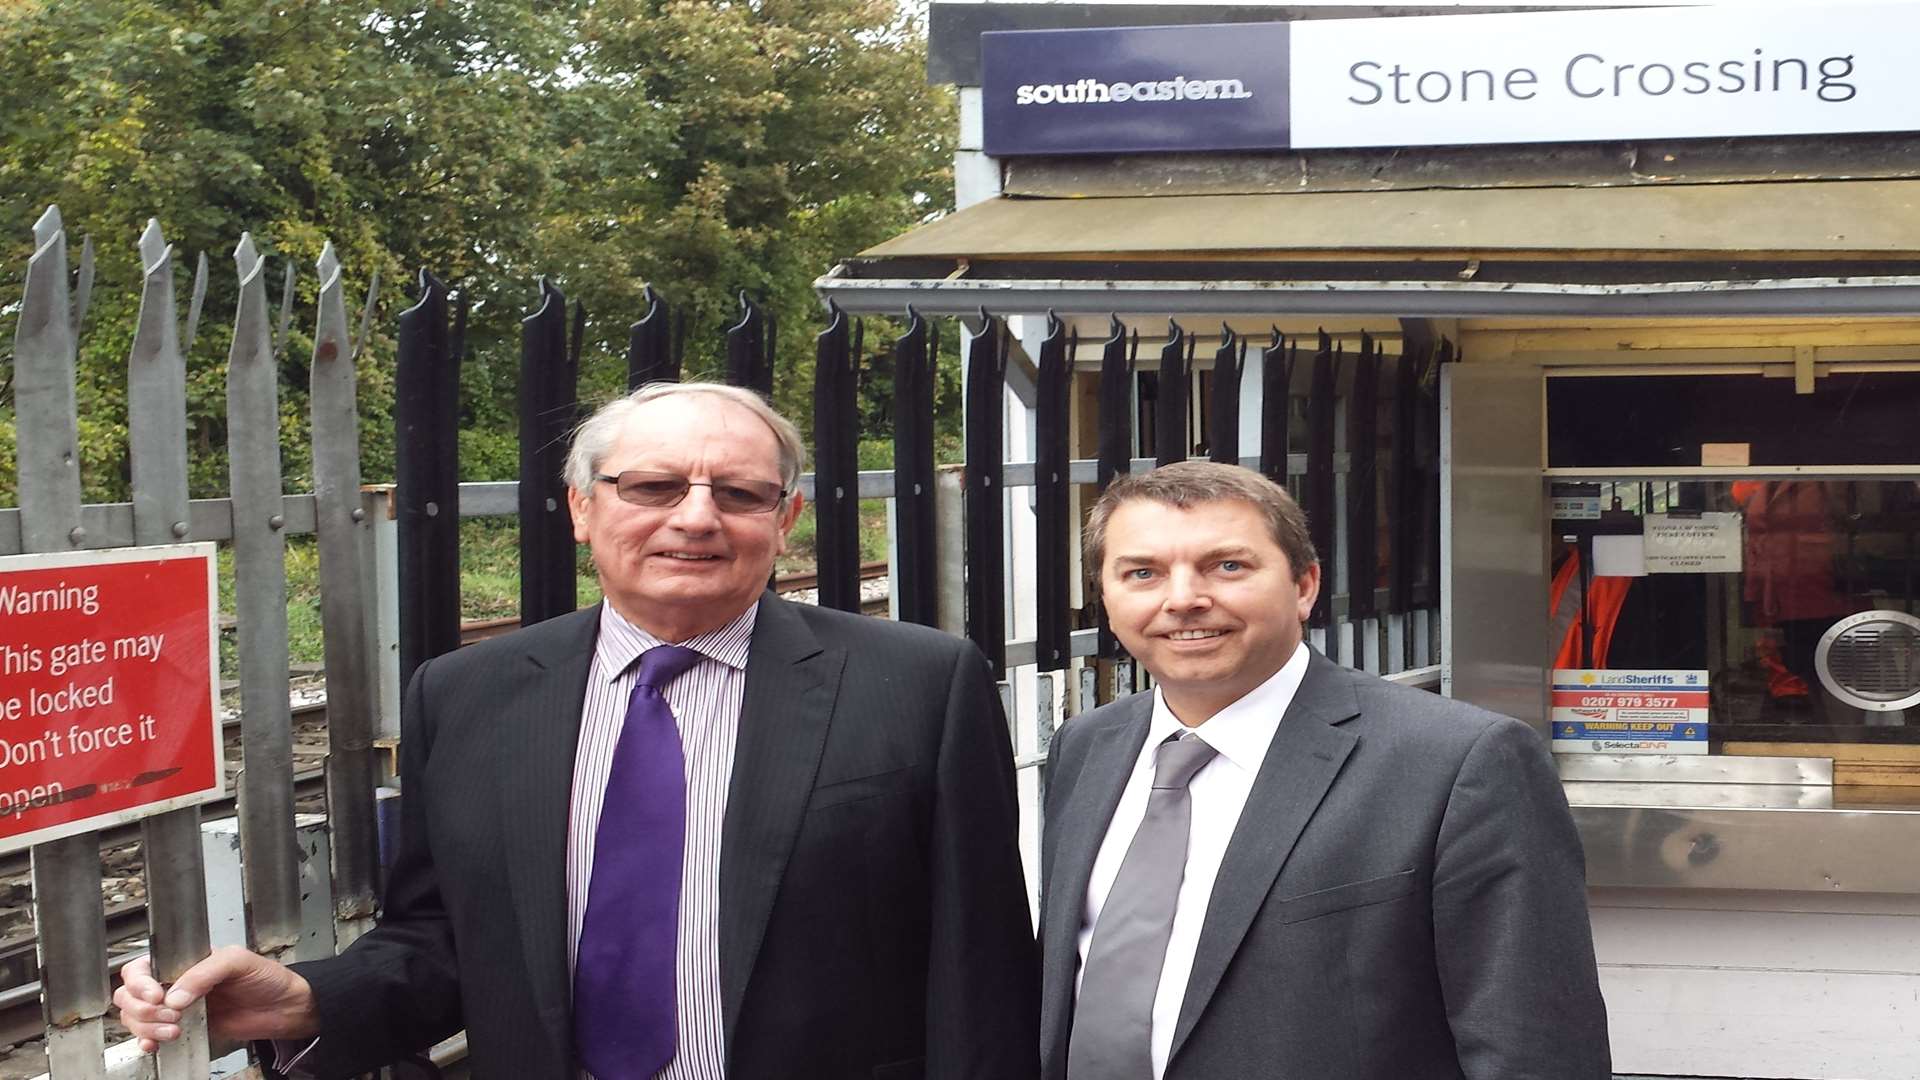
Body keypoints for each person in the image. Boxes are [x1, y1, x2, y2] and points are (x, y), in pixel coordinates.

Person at [117, 382, 1040, 1080]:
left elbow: (980, 970)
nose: (695, 516)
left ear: (786, 520)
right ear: (580, 509)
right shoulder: (469, 695)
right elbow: (444, 939)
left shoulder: (917, 684)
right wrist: (310, 1000)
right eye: (653, 486)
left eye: (741, 494)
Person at [1040, 461, 1609, 1080]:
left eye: (1227, 566)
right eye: (1142, 573)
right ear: (1106, 594)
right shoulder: (1086, 747)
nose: (1183, 599)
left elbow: (1534, 1045)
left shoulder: (1459, 760)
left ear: (1305, 585)